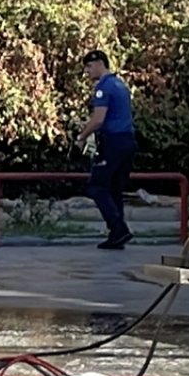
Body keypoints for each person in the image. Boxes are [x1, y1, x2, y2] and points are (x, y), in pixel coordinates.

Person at [75, 49, 137, 250]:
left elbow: (99, 119)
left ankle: (118, 228)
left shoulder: (104, 87)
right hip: (127, 141)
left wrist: (82, 136)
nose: (87, 71)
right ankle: (117, 235)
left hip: (113, 142)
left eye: (89, 66)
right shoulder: (121, 85)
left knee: (97, 186)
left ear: (100, 63)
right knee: (114, 188)